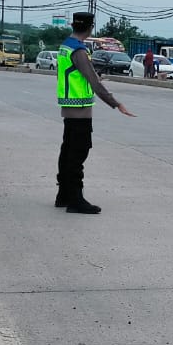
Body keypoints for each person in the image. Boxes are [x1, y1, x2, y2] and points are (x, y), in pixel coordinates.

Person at [56, 12, 135, 214]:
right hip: (80, 110)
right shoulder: (79, 51)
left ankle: (63, 195)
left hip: (69, 108)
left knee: (67, 153)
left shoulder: (66, 45)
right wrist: (116, 104)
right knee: (78, 155)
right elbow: (95, 83)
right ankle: (76, 199)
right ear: (91, 28)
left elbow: (80, 75)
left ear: (73, 26)